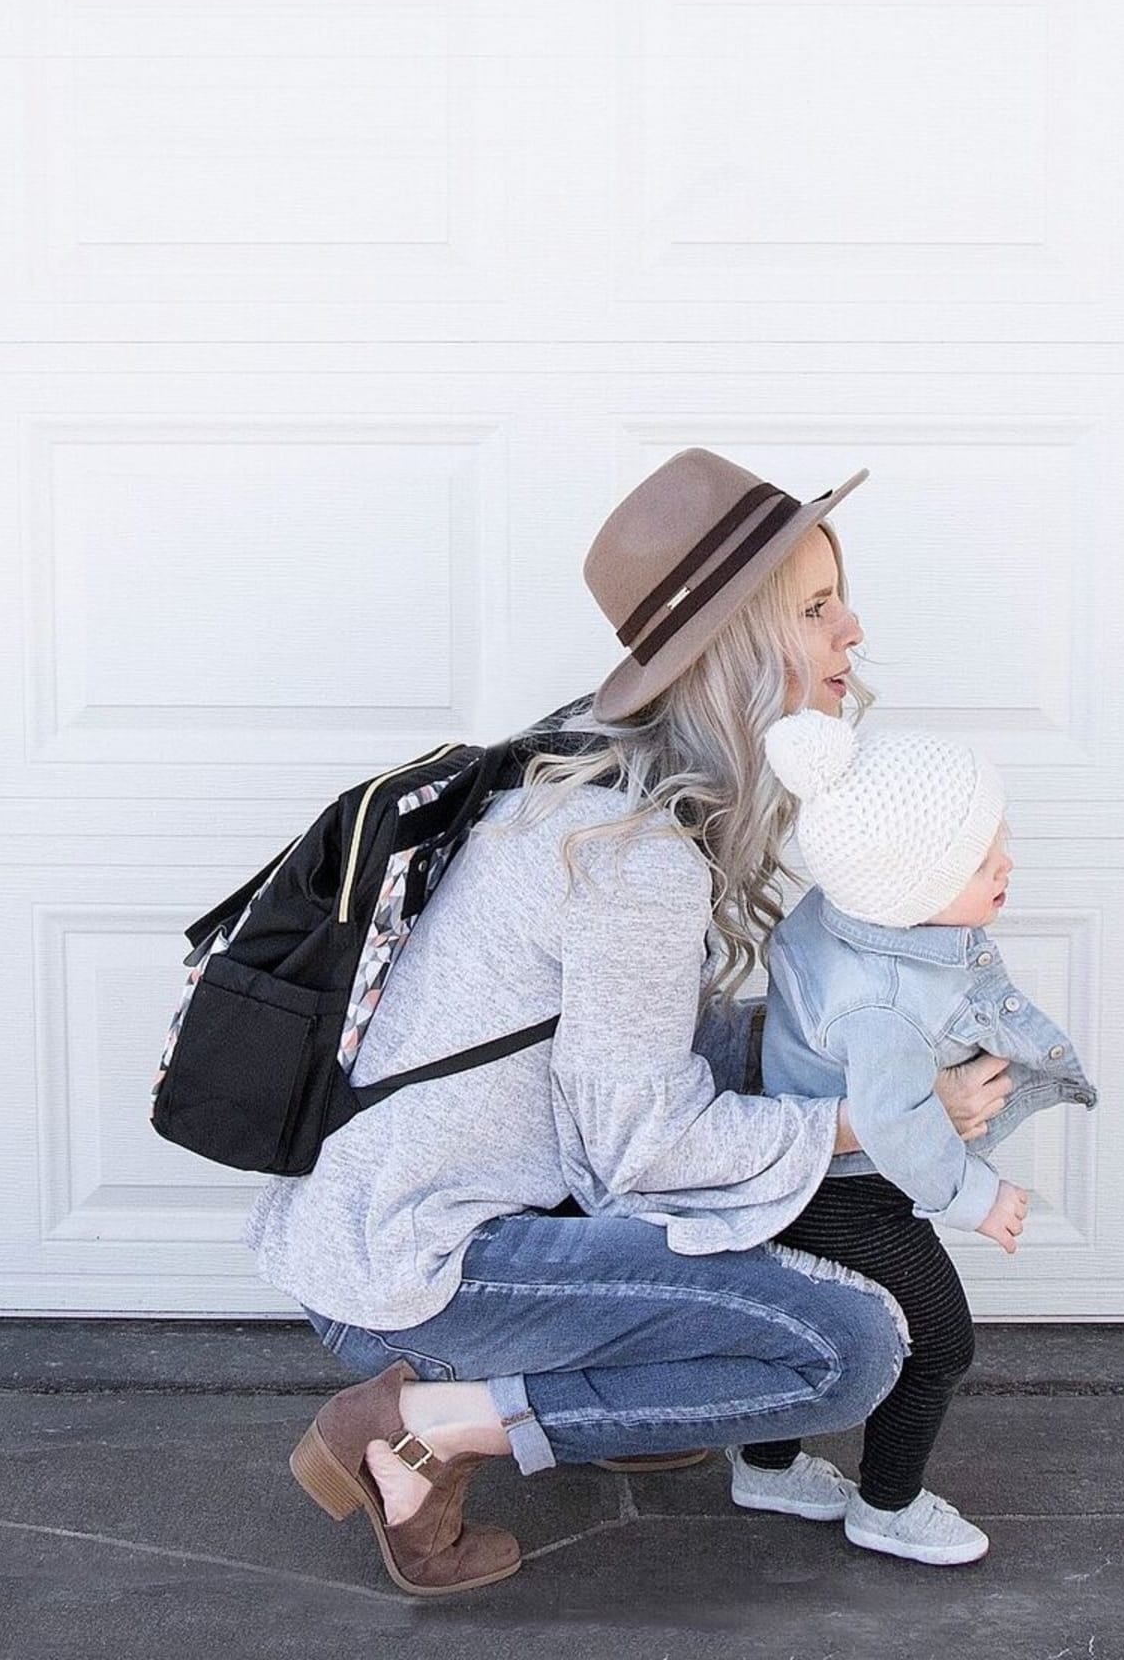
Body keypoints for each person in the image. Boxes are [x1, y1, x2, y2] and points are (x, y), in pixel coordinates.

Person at [247, 444, 1017, 1597]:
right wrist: (885, 1116)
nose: (853, 628)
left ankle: (618, 1380)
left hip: (384, 1212)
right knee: (847, 1355)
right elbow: (646, 1143)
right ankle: (418, 1428)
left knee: (757, 1053)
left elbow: (630, 1062)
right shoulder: (637, 855)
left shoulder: (584, 761)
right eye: (815, 607)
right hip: (432, 1267)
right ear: (732, 651)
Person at [723, 709, 1099, 1563]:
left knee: (815, 1322)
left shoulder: (841, 910)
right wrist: (977, 1196)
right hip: (851, 1196)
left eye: (1001, 842)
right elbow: (891, 1121)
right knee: (939, 1344)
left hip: (817, 1177)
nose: (1006, 865)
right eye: (979, 860)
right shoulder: (881, 1004)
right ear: (903, 884)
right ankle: (887, 1505)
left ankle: (766, 1462)